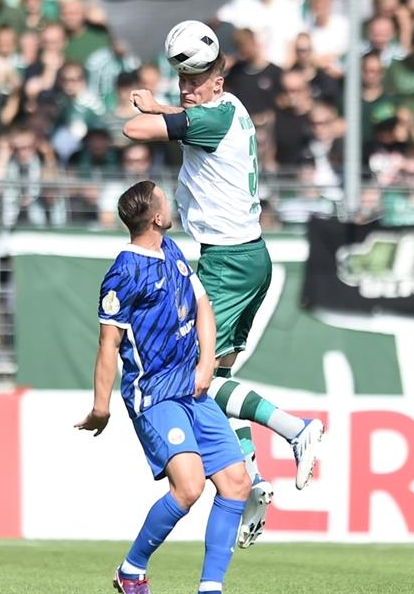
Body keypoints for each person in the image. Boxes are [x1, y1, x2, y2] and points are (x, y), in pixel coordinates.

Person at [123, 34, 324, 549]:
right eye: (183, 81)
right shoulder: (230, 108)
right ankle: (252, 478)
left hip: (226, 262)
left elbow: (134, 129)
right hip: (246, 256)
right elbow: (193, 120)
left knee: (200, 378)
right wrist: (168, 104)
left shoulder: (212, 116)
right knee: (222, 375)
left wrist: (152, 111)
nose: (188, 90)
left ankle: (295, 429)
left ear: (219, 79)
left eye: (196, 81)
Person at [76, 180, 250, 594]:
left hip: (193, 388)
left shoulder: (171, 252)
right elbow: (108, 344)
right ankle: (131, 569)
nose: (170, 205)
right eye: (165, 201)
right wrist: (102, 406)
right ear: (156, 216)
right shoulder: (123, 272)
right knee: (188, 488)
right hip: (154, 395)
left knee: (236, 483)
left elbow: (202, 305)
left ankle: (210, 588)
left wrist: (207, 364)